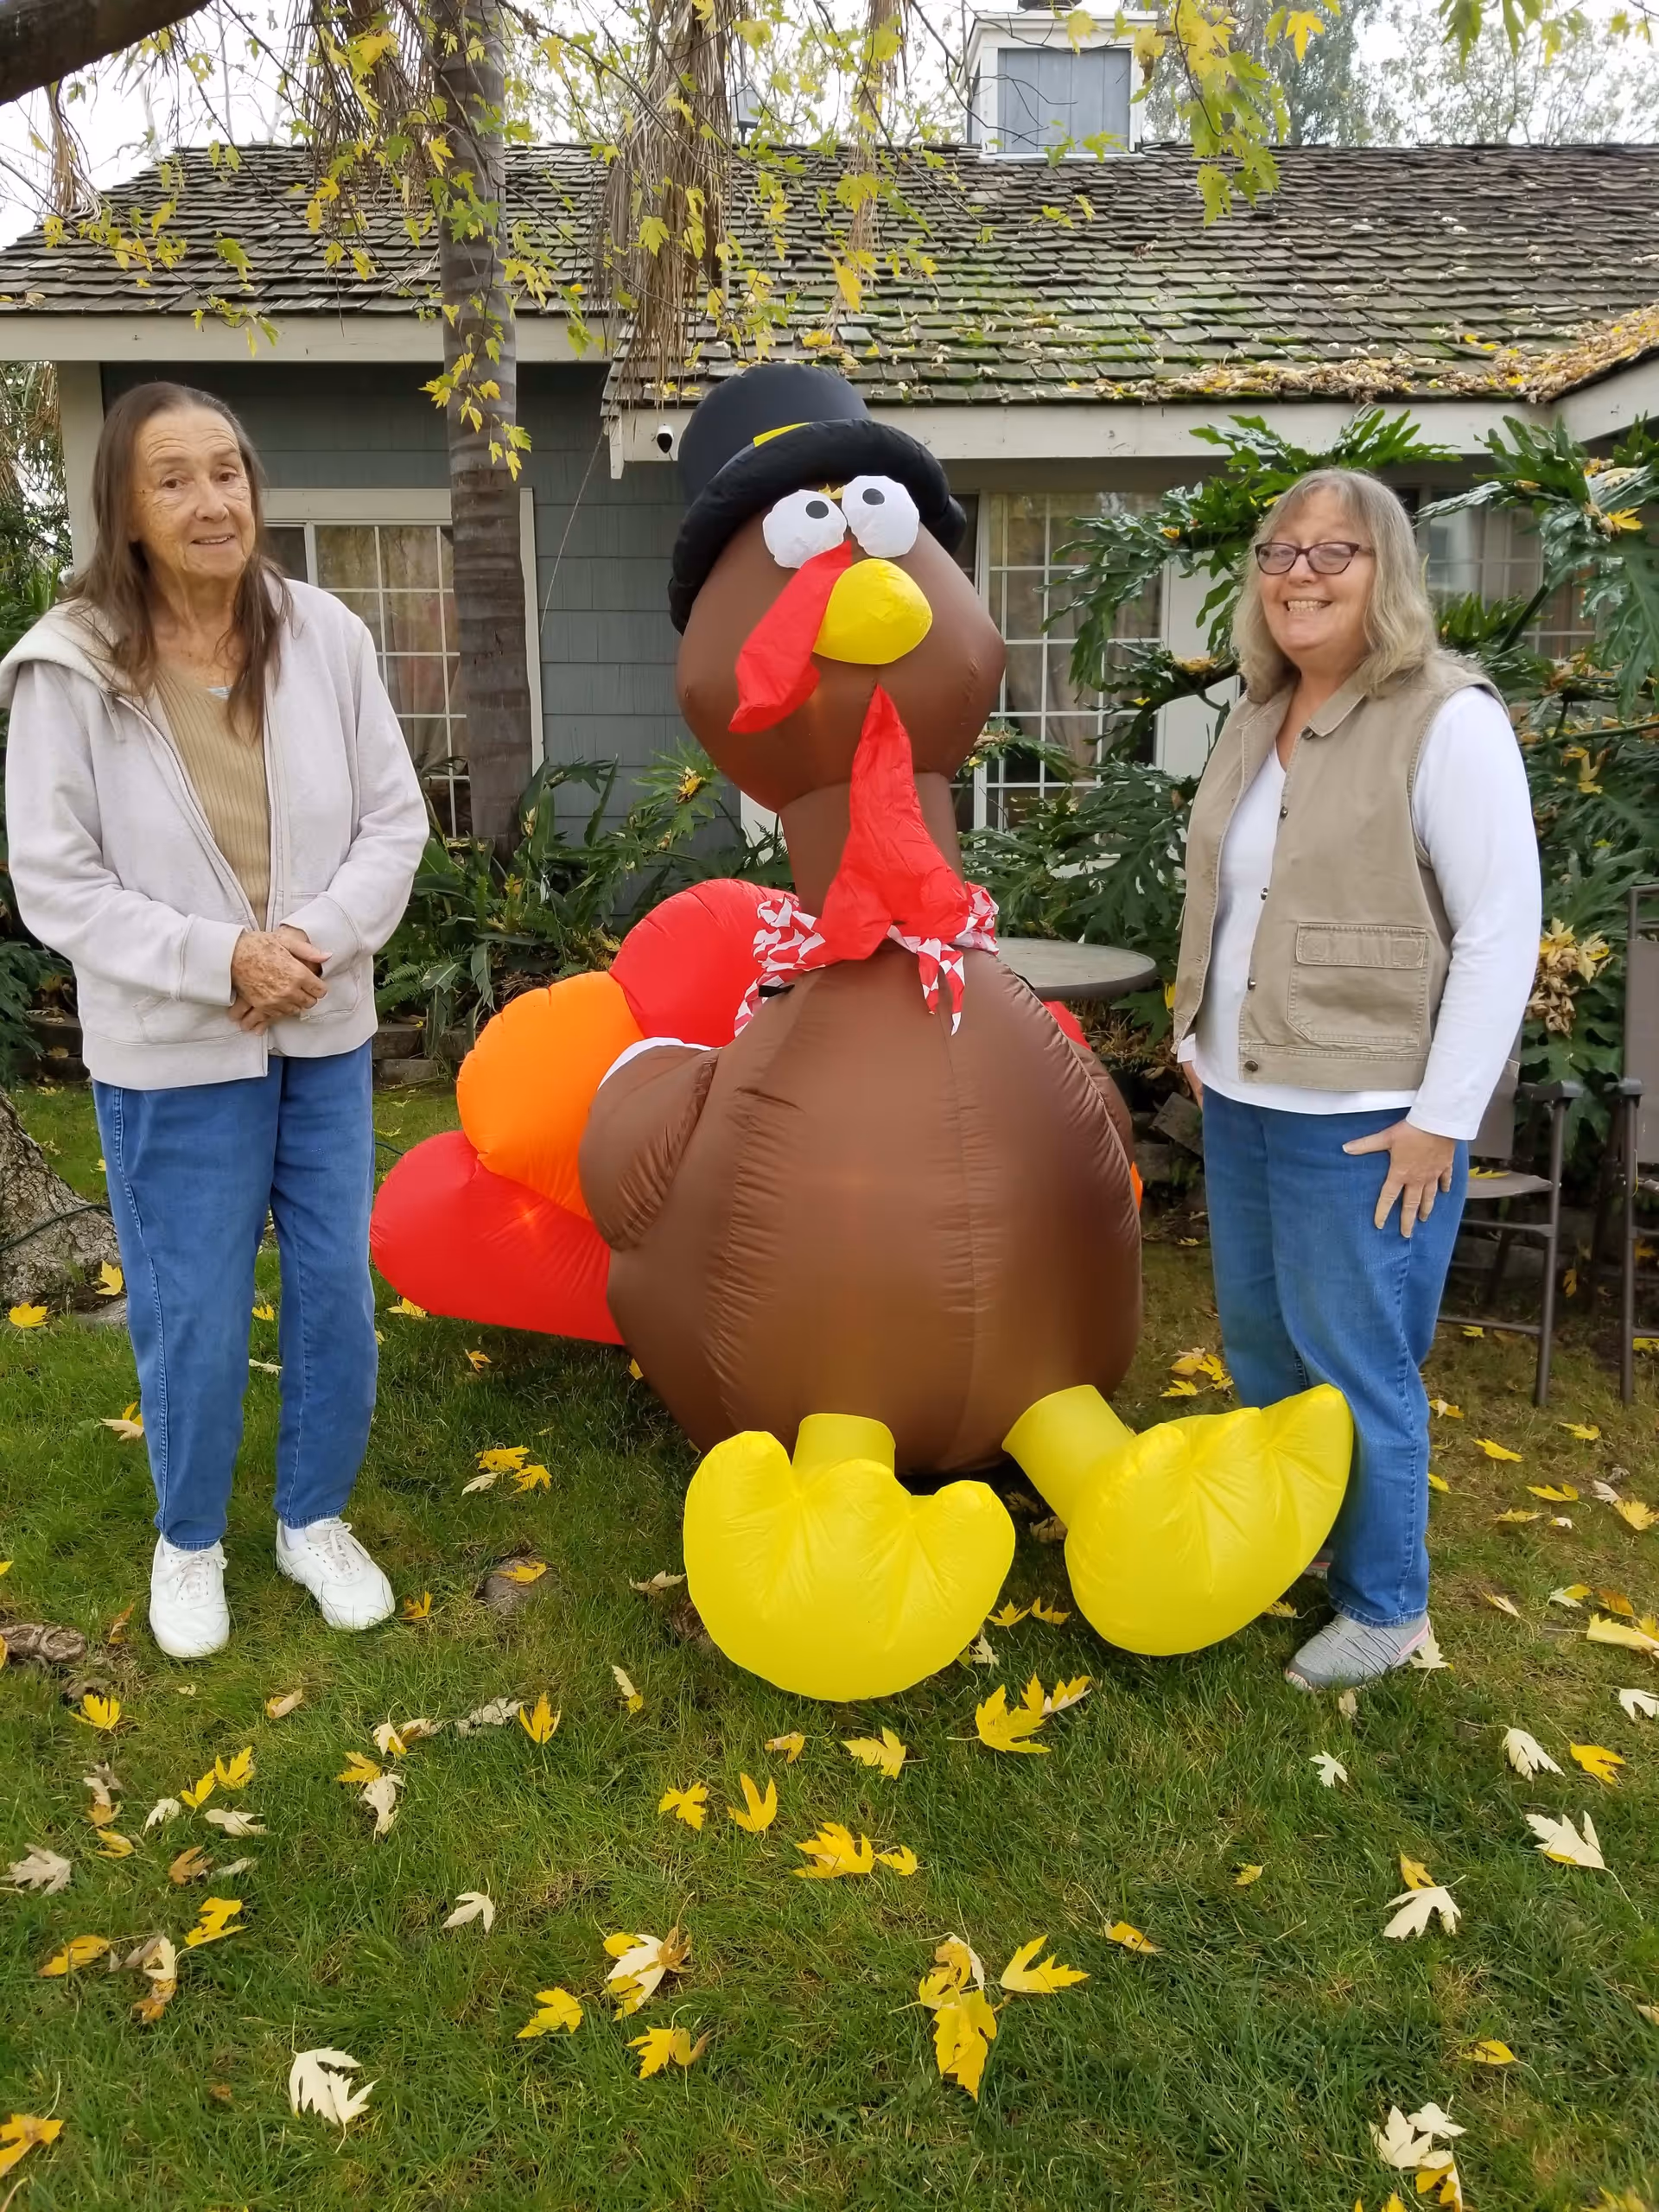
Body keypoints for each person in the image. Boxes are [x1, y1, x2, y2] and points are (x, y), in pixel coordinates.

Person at [0, 380, 430, 1661]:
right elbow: (57, 880)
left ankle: (312, 1518)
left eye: (227, 471)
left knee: (335, 1289)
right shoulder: (72, 667)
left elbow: (394, 822)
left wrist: (308, 946)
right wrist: (221, 960)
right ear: (125, 511)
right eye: (174, 479)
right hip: (172, 1049)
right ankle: (188, 1540)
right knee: (191, 1306)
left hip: (322, 1027)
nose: (211, 502)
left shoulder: (326, 635)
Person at [1171, 468, 1541, 1691]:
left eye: (1336, 552)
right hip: (1245, 1095)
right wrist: (1196, 1035)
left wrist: (1442, 1120)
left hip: (1370, 1119)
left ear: (1388, 572)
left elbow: (1500, 931)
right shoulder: (1257, 711)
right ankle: (1311, 1547)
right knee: (1264, 1350)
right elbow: (1238, 898)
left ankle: (1387, 1607)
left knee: (1357, 1361)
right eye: (1282, 551)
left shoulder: (1447, 718)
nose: (1301, 574)